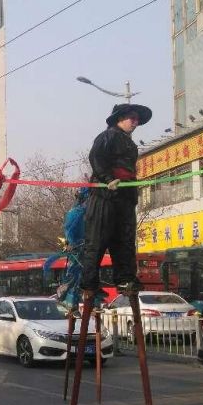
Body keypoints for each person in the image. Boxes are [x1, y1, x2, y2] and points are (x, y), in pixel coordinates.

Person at [80, 103, 152, 296]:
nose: (135, 123)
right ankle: (90, 283)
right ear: (120, 118)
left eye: (137, 120)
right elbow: (96, 158)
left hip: (125, 198)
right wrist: (108, 179)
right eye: (132, 119)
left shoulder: (131, 144)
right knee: (97, 240)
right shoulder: (107, 136)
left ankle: (125, 278)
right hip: (105, 196)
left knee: (125, 241)